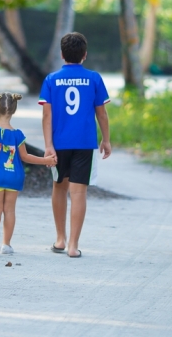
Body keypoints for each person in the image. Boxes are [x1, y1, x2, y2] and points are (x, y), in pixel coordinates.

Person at [39, 32, 112, 258]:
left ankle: (59, 239)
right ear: (85, 55)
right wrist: (106, 139)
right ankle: (73, 246)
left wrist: (48, 145)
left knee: (59, 188)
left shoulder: (51, 79)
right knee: (79, 193)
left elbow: (46, 116)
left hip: (59, 144)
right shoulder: (94, 78)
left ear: (62, 55)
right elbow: (102, 113)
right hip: (84, 143)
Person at [0, 92, 57, 254]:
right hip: (13, 176)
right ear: (13, 111)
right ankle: (6, 244)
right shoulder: (18, 135)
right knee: (9, 210)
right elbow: (25, 157)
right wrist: (46, 161)